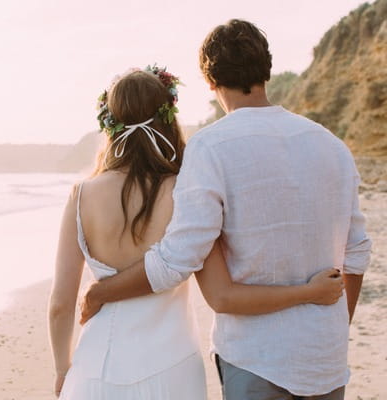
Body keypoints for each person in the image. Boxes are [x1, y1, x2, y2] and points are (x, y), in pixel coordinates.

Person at [79, 20, 372, 400]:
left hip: (256, 360)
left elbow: (176, 261)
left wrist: (101, 293)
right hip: (326, 361)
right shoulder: (332, 146)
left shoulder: (211, 148)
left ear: (210, 80)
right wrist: (332, 329)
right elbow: (358, 255)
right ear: (265, 70)